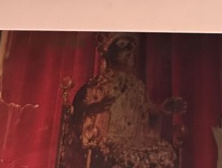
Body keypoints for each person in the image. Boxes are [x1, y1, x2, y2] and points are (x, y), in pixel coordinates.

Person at [64, 34, 186, 168]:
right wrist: (95, 108)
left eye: (132, 48)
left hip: (137, 143)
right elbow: (76, 118)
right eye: (123, 46)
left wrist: (162, 109)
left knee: (165, 154)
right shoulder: (96, 86)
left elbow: (148, 111)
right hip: (107, 147)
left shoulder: (138, 87)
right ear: (110, 52)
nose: (130, 51)